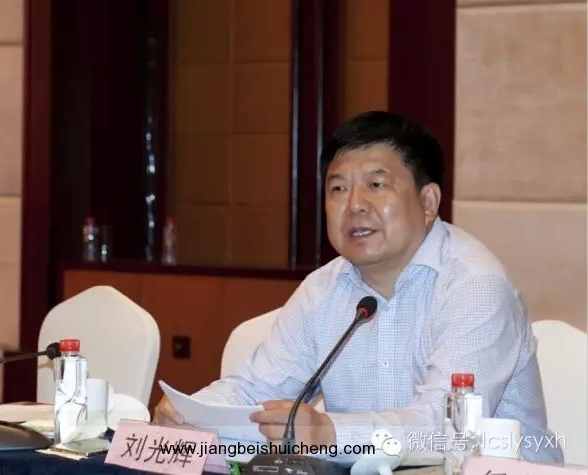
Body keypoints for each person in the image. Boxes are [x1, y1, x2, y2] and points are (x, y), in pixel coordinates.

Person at [154, 111, 562, 463]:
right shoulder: (323, 290)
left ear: (428, 202)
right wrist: (194, 411)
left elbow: (444, 427)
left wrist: (332, 435)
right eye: (338, 188)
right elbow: (257, 388)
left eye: (376, 185)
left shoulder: (475, 287)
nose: (354, 205)